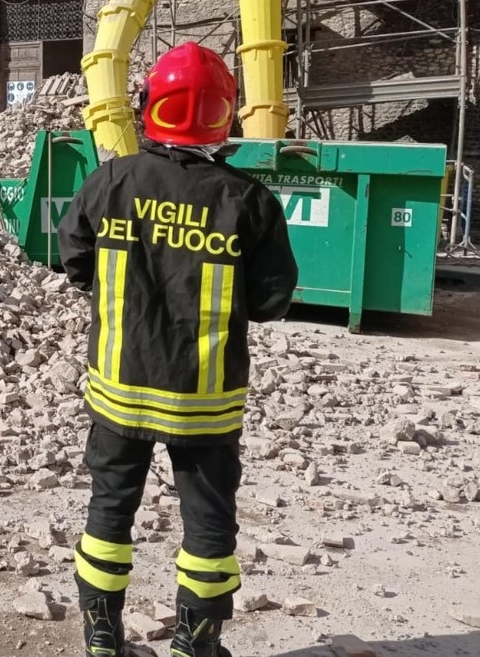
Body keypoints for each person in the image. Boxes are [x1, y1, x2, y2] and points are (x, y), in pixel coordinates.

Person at [57, 42, 299, 657]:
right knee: (209, 521)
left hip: (118, 389)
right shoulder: (247, 200)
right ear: (226, 115)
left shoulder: (113, 179)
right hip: (206, 402)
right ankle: (196, 643)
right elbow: (272, 301)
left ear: (150, 108)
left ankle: (102, 637)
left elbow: (74, 259)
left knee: (110, 509)